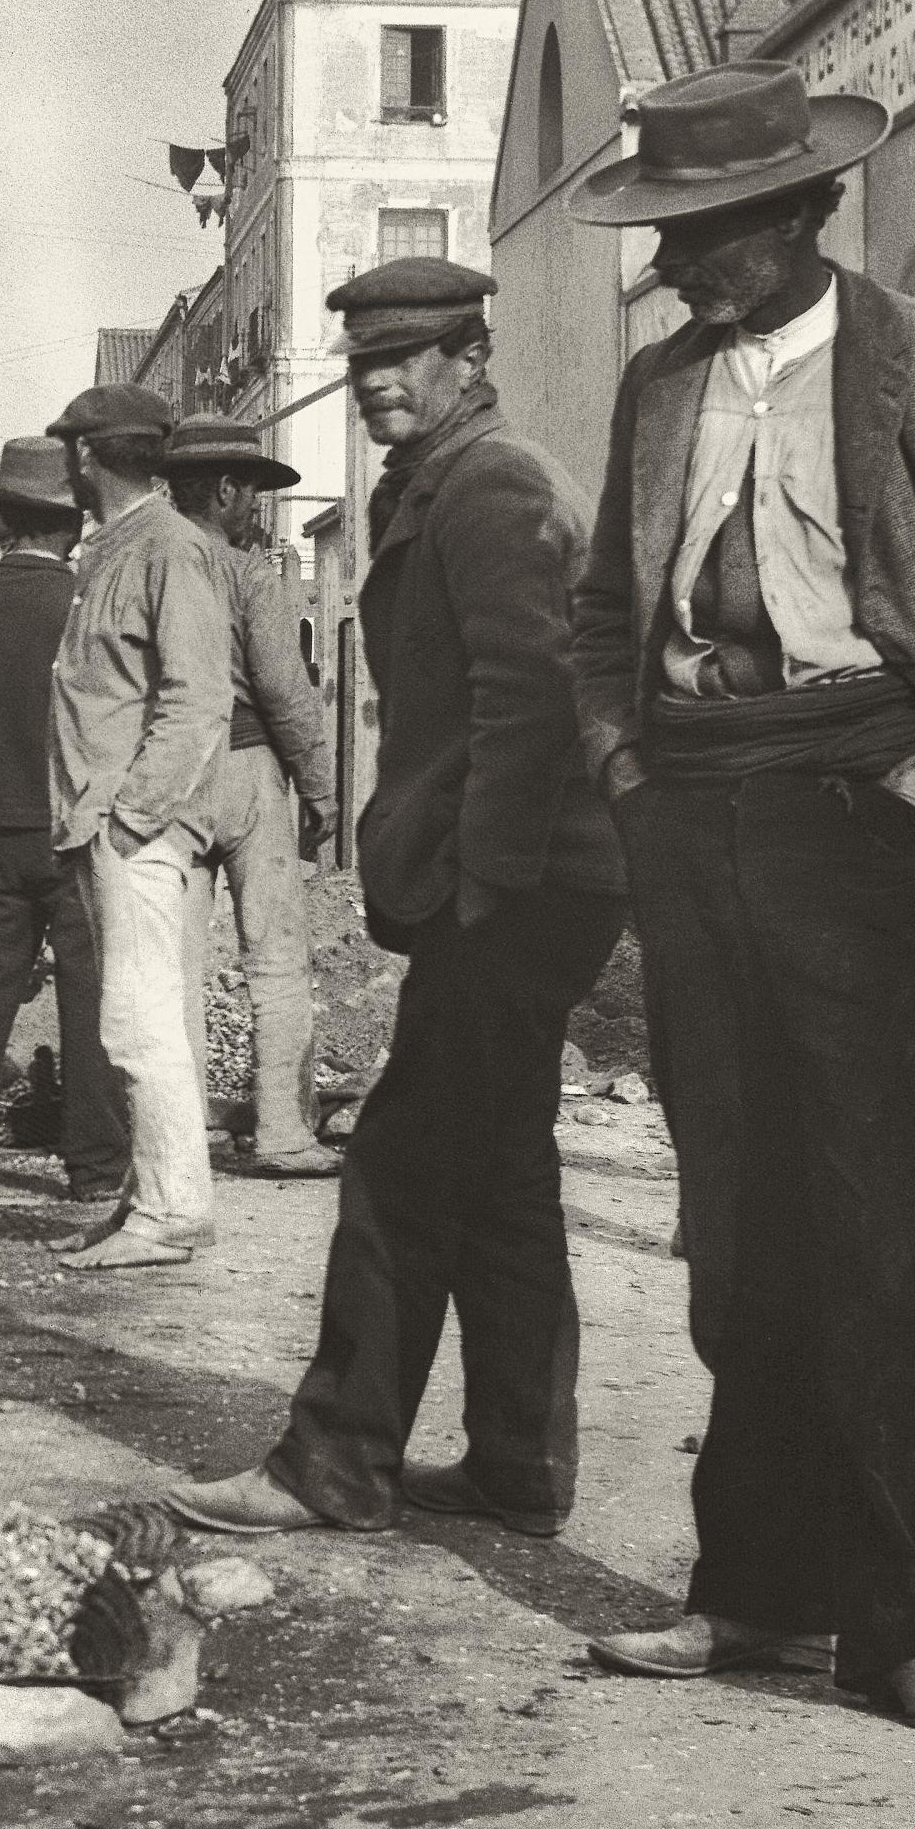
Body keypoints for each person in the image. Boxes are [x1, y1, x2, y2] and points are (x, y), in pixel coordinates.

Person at [556, 61, 915, 1735]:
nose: (678, 266)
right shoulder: (661, 386)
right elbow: (610, 610)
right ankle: (755, 1593)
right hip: (698, 818)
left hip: (871, 811)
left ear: (805, 211)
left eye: (709, 234)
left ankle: (908, 1630)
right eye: (665, 235)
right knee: (740, 1236)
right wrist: (620, 759)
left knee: (884, 1233)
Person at [192, 258, 627, 1539]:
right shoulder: (447, 479)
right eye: (365, 360)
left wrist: (479, 879)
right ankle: (513, 1463)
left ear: (467, 358)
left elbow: (531, 695)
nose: (379, 379)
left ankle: (333, 1457)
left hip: (523, 874)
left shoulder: (490, 485)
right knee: (498, 1166)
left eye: (409, 356)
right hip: (533, 871)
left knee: (397, 1161)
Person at [42, 381, 236, 1271]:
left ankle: (172, 1212)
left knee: (140, 1018)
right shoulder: (116, 547)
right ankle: (143, 1200)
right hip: (103, 822)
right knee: (130, 1017)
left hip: (133, 828)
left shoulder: (167, 548)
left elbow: (198, 702)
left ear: (86, 458)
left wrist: (133, 818)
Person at [0, 438, 116, 1201]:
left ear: (3, 516)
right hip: (74, 829)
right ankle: (96, 1164)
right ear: (72, 525)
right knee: (87, 996)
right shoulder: (86, 600)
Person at [160, 414, 348, 1177]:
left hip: (164, 773)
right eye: (252, 495)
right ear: (227, 490)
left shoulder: (142, 566)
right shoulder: (245, 574)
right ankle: (281, 1132)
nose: (256, 510)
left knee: (173, 966)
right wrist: (321, 786)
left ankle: (183, 1129)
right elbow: (284, 686)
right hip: (243, 767)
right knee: (274, 957)